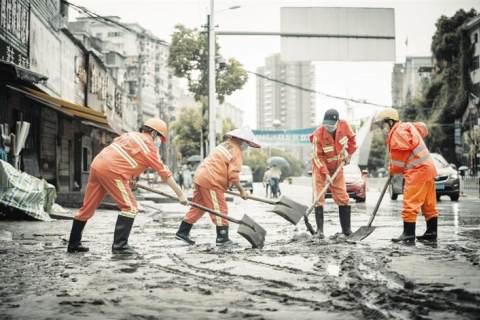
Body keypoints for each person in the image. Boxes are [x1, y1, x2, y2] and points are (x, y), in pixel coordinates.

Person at [67, 118, 188, 254]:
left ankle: (73, 243)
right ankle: (120, 245)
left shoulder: (128, 135)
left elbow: (122, 156)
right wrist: (180, 194)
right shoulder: (149, 146)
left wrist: (129, 178)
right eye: (160, 137)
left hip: (98, 165)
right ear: (154, 133)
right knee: (130, 207)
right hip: (113, 171)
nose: (159, 141)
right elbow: (164, 173)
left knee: (87, 207)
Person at [175, 127, 261, 246]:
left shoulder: (225, 145)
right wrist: (242, 191)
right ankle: (222, 238)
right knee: (220, 208)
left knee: (199, 207)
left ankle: (183, 231)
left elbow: (222, 167)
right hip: (212, 180)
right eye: (247, 143)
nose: (247, 146)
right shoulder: (236, 151)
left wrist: (228, 184)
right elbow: (233, 174)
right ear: (242, 141)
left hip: (201, 176)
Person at [374, 108, 438, 243]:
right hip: (428, 169)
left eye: (382, 125)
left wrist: (392, 169)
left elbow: (399, 160)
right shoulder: (407, 127)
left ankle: (408, 233)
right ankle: (432, 232)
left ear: (390, 122)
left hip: (417, 171)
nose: (382, 129)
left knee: (410, 202)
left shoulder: (397, 133)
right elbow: (423, 128)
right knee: (428, 203)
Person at [310, 108, 357, 239]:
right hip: (320, 169)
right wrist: (325, 173)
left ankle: (347, 230)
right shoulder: (318, 135)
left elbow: (353, 141)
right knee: (319, 197)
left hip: (337, 166)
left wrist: (349, 155)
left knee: (342, 196)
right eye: (326, 125)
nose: (328, 127)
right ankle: (320, 231)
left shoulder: (344, 126)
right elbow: (316, 156)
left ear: (337, 122)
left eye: (331, 125)